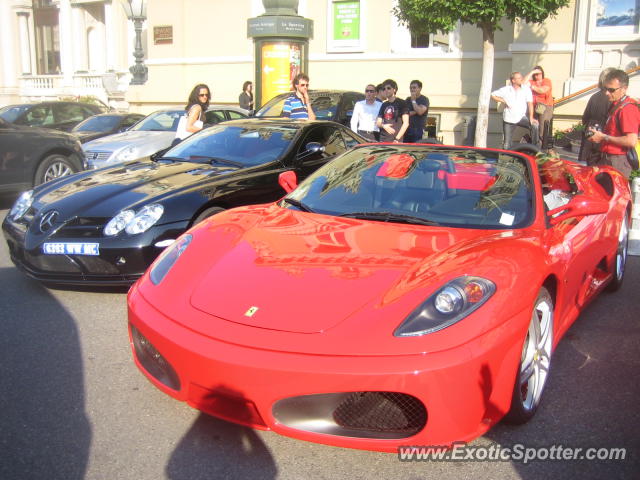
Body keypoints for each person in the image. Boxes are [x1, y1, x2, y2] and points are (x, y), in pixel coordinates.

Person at [587, 69, 640, 179]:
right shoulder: (616, 105)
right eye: (605, 89)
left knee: (612, 195)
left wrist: (604, 137)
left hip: (618, 161)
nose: (606, 93)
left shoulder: (627, 109)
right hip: (608, 158)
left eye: (611, 90)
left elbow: (631, 141)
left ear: (624, 89)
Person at [491, 72, 539, 150]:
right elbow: (493, 95)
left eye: (521, 77)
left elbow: (530, 104)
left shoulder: (526, 89)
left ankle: (535, 148)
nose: (521, 79)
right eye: (519, 78)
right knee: (507, 143)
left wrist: (531, 117)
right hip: (508, 118)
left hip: (521, 117)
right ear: (513, 80)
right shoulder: (506, 89)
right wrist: (503, 101)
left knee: (535, 125)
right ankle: (507, 158)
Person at [579, 68, 615, 166]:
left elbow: (585, 118)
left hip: (590, 133)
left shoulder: (594, 96)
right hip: (602, 137)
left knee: (587, 170)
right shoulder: (612, 99)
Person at [524, 66, 553, 146]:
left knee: (542, 127)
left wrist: (532, 87)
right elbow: (523, 83)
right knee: (534, 126)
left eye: (539, 74)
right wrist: (531, 72)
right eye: (535, 74)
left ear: (542, 73)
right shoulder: (531, 81)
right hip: (533, 107)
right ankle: (534, 144)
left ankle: (541, 146)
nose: (537, 76)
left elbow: (543, 90)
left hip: (545, 106)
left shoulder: (546, 81)